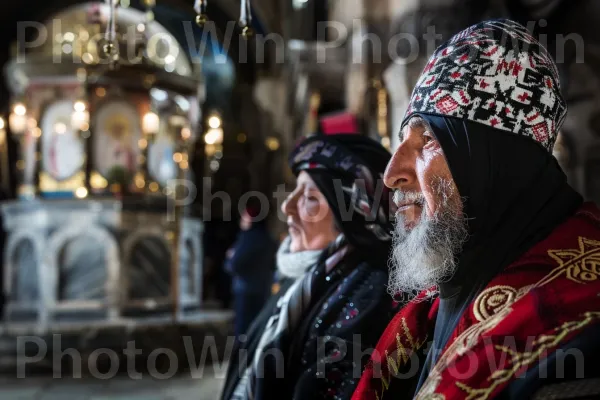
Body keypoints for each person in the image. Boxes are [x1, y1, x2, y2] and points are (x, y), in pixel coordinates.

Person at [353, 19, 600, 400]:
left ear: (496, 164)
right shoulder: (431, 312)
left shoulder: (576, 332)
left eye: (428, 140)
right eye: (402, 142)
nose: (392, 175)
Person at [220, 116, 399, 400]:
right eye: (295, 190)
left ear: (353, 217)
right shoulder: (303, 279)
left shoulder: (371, 294)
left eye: (311, 198)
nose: (288, 207)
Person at [225, 202, 277, 337]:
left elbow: (236, 263)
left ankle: (242, 357)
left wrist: (231, 257)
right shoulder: (268, 238)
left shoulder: (248, 238)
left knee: (243, 329)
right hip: (263, 288)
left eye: (245, 217)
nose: (242, 220)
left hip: (246, 290)